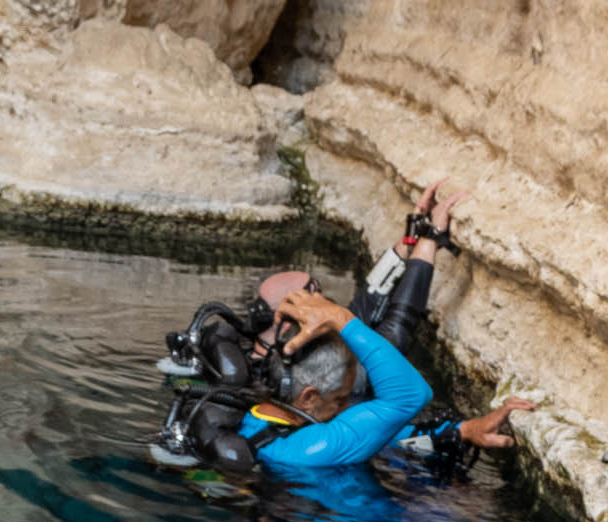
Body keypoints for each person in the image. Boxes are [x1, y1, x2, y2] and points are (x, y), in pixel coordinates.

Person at [151, 184, 533, 485]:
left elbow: (377, 428)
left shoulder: (268, 397)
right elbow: (405, 381)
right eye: (310, 297)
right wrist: (428, 242)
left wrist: (463, 431)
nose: (318, 301)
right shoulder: (317, 437)